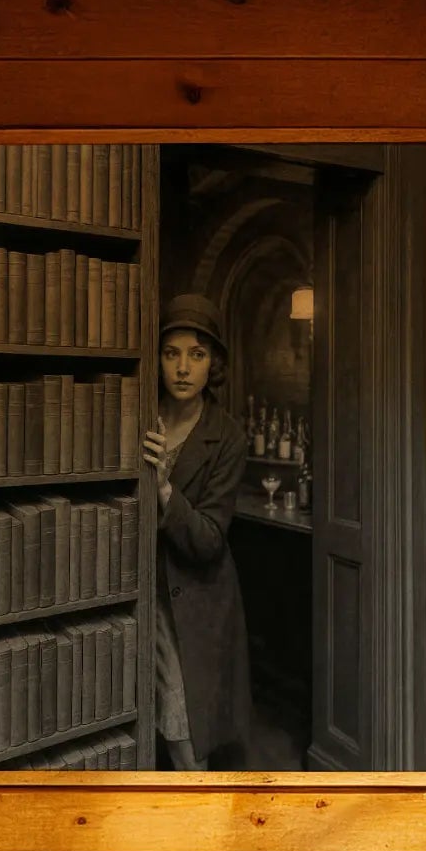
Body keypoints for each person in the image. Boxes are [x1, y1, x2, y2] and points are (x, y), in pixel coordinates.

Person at [141, 295, 251, 770]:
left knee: (184, 722)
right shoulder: (138, 415)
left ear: (214, 365)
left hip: (195, 599)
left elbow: (208, 540)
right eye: (171, 353)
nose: (183, 368)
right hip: (139, 587)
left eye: (197, 355)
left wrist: (164, 487)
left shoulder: (226, 436)